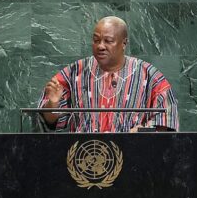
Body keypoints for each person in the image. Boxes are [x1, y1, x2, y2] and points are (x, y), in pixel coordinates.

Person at [37, 16, 179, 133]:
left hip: (135, 157)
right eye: (96, 40)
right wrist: (52, 104)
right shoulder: (74, 72)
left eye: (108, 41)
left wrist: (142, 131)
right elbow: (50, 122)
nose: (100, 46)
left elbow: (167, 123)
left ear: (124, 43)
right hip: (84, 157)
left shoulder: (150, 76)